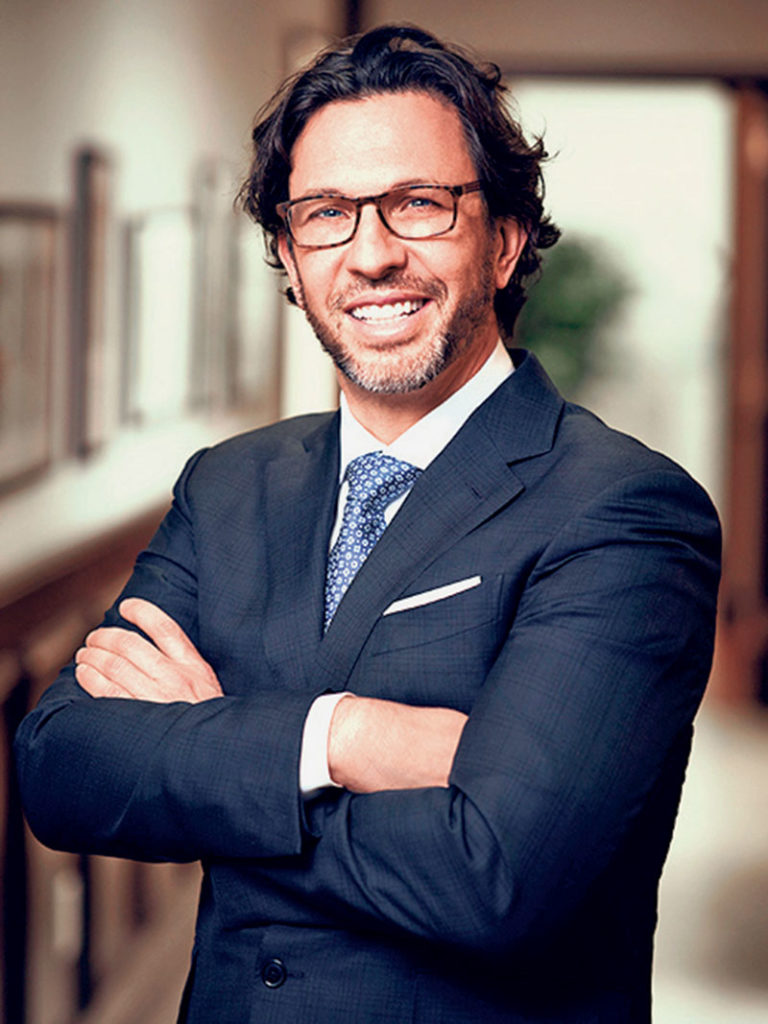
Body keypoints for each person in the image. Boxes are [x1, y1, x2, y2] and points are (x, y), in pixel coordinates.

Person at [15, 24, 720, 1024]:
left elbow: (496, 878)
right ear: (288, 255)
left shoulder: (624, 510)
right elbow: (61, 768)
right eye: (327, 214)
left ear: (505, 240)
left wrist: (211, 764)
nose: (373, 254)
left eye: (419, 204)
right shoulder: (229, 486)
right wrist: (342, 736)